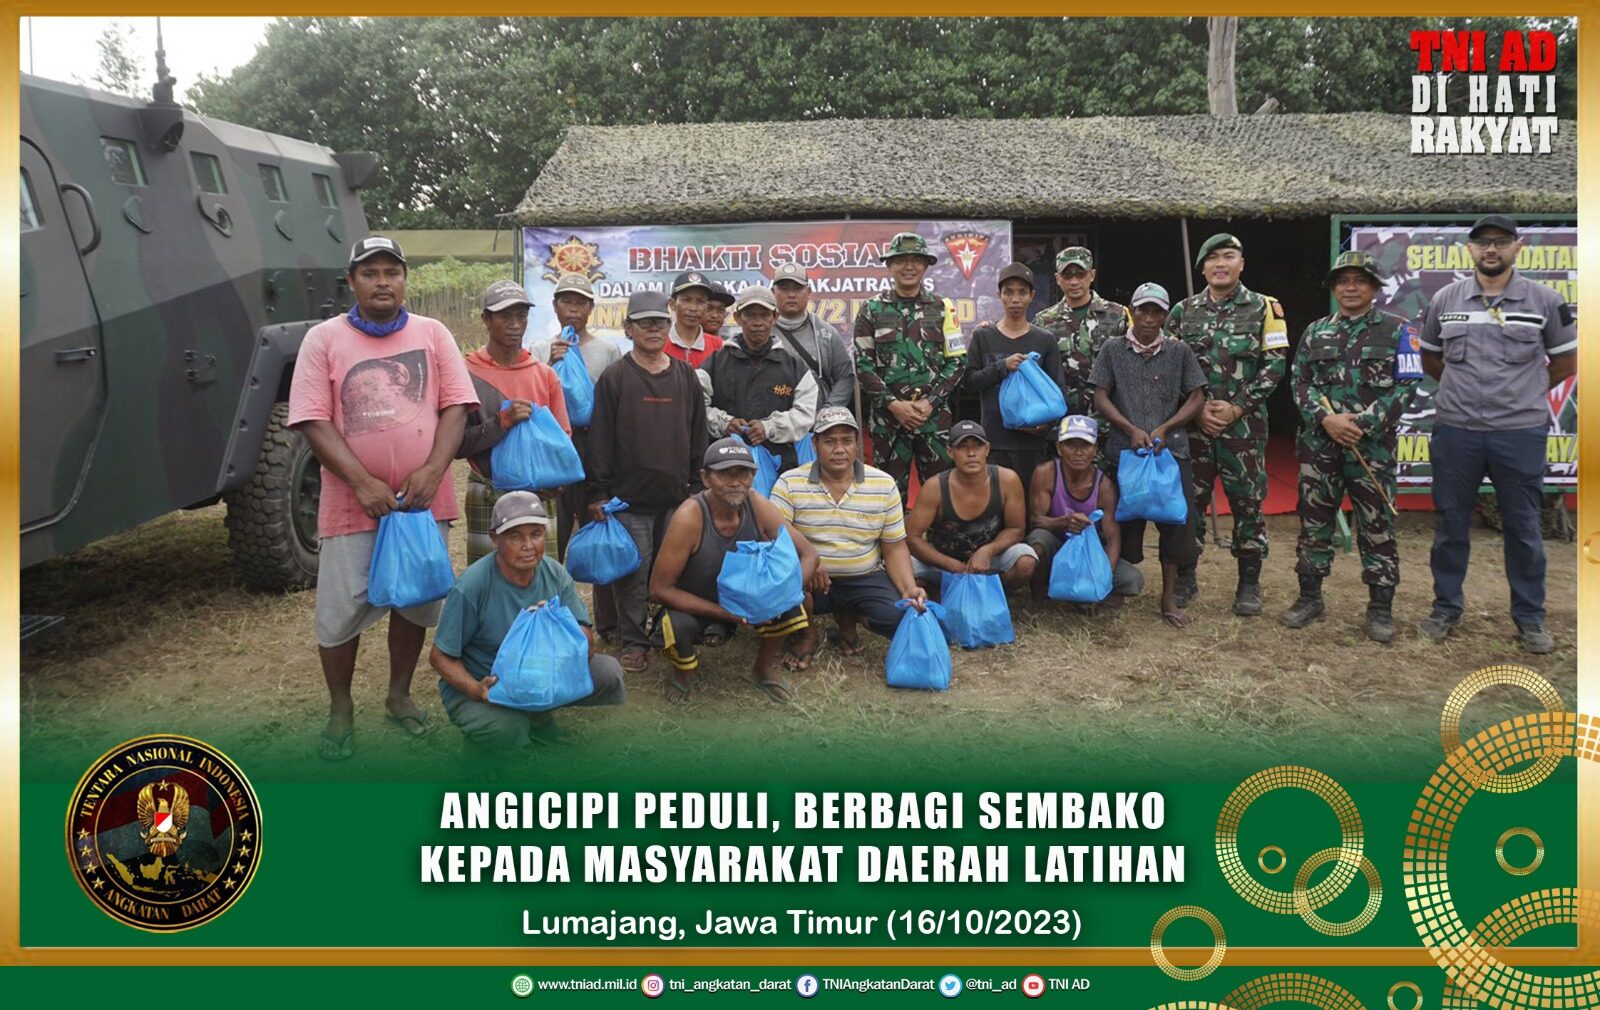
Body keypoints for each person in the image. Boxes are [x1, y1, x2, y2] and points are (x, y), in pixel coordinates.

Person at [287, 236, 478, 761]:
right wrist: (362, 482)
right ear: (351, 282)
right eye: (369, 273)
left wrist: (434, 468)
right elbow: (311, 418)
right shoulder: (323, 340)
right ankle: (341, 708)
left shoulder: (433, 334)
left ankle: (398, 695)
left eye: (391, 271)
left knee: (416, 602)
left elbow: (456, 407)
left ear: (404, 280)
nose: (382, 282)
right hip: (353, 504)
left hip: (422, 502)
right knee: (340, 610)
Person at [1416, 215, 1577, 653]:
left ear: (1517, 247)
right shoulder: (1445, 300)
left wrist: (1521, 397)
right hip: (1456, 430)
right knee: (1450, 524)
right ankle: (1445, 608)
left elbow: (1565, 364)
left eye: (1501, 242)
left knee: (1524, 527)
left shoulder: (1545, 301)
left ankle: (1530, 619)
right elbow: (1432, 360)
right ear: (1469, 250)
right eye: (1482, 242)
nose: (1491, 249)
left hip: (1518, 433)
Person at [1283, 251, 1420, 642]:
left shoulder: (1399, 330)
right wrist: (1326, 419)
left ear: (1375, 287)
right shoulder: (1316, 331)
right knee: (1314, 524)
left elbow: (1407, 384)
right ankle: (1310, 598)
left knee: (1377, 526)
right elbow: (1300, 382)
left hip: (1370, 448)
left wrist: (1363, 424)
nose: (1351, 287)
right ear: (1334, 288)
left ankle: (1380, 609)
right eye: (1343, 281)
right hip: (1319, 446)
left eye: (1360, 280)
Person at [429, 493, 625, 755]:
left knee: (606, 672)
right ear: (495, 539)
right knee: (506, 731)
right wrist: (476, 689)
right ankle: (485, 732)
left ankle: (538, 716)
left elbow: (586, 644)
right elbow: (440, 657)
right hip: (487, 682)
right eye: (515, 536)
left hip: (536, 674)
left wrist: (558, 627)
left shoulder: (554, 573)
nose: (528, 545)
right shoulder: (472, 586)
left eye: (536, 534)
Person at [1166, 233, 1289, 616]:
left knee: (1248, 507)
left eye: (1229, 256)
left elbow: (1275, 365)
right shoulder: (1182, 312)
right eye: (1213, 258)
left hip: (1244, 431)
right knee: (1190, 506)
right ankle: (1186, 578)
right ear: (1202, 267)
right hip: (1194, 430)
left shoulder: (1266, 308)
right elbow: (1168, 368)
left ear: (1241, 263)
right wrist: (1196, 411)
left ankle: (1248, 584)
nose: (1221, 263)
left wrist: (1237, 408)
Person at [587, 290, 710, 673]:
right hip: (628, 501)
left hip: (676, 498)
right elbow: (600, 440)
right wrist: (598, 493)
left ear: (668, 326)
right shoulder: (615, 378)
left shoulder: (685, 375)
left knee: (674, 572)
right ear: (628, 329)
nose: (653, 329)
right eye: (644, 323)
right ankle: (634, 640)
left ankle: (667, 633)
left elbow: (698, 434)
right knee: (633, 575)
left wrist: (697, 486)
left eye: (659, 322)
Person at [649, 438, 821, 703]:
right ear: (705, 478)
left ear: (753, 475)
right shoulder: (690, 516)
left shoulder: (755, 503)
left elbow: (808, 553)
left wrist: (778, 594)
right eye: (724, 473)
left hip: (746, 595)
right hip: (698, 602)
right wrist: (727, 614)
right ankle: (684, 673)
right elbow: (659, 589)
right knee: (676, 625)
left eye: (743, 472)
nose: (735, 481)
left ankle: (762, 670)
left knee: (792, 605)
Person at [768, 406, 927, 666]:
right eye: (829, 441)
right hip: (810, 578)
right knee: (777, 594)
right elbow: (775, 535)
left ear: (857, 445)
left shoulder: (883, 484)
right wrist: (809, 561)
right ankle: (807, 635)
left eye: (847, 441)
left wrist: (909, 590)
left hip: (864, 576)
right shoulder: (789, 482)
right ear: (814, 444)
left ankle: (848, 615)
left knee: (901, 617)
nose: (839, 449)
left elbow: (895, 547)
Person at [1090, 283, 1207, 628]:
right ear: (1132, 310)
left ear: (1165, 316)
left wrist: (1166, 427)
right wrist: (1129, 428)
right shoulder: (1112, 349)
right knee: (1122, 523)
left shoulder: (1179, 351)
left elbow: (1197, 396)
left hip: (1170, 454)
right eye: (1143, 310)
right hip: (1124, 454)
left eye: (1157, 312)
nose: (1149, 319)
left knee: (1175, 524)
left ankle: (1169, 597)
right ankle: (1116, 588)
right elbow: (1100, 396)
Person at [531, 273, 623, 634]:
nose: (573, 309)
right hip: (555, 451)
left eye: (581, 302)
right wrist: (551, 365)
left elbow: (613, 406)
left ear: (591, 309)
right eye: (567, 302)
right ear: (555, 306)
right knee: (552, 537)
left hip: (593, 449)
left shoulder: (607, 351)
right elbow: (534, 401)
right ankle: (548, 616)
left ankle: (609, 624)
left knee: (599, 533)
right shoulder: (539, 350)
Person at [461, 280, 571, 566]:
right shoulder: (466, 372)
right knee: (486, 582)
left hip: (538, 491)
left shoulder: (543, 374)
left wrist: (555, 481)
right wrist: (501, 423)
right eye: (504, 316)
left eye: (521, 316)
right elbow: (456, 444)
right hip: (487, 489)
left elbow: (562, 440)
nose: (515, 324)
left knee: (539, 581)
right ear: (486, 319)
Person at [853, 232, 963, 494]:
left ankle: (937, 538)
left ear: (926, 265)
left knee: (941, 493)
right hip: (888, 421)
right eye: (901, 260)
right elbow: (863, 365)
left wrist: (930, 403)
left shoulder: (943, 307)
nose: (909, 266)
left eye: (916, 260)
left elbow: (957, 362)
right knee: (886, 496)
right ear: (890, 266)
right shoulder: (871, 309)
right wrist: (895, 406)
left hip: (934, 421)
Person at [961, 261, 1067, 481]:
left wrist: (1043, 427)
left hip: (1034, 446)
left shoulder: (1044, 339)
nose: (1015, 299)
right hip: (994, 444)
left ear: (1031, 295)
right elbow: (969, 383)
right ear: (999, 295)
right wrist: (1001, 367)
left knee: (1033, 511)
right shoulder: (983, 337)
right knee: (997, 511)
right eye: (1009, 292)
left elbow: (1059, 391)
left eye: (1022, 292)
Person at [905, 420, 1038, 594]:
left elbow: (1016, 529)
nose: (971, 453)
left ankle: (993, 594)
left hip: (989, 560)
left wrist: (987, 551)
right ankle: (941, 592)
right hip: (942, 560)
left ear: (987, 449)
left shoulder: (1007, 480)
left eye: (978, 446)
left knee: (1026, 560)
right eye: (963, 447)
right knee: (902, 568)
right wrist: (952, 565)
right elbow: (913, 538)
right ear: (950, 452)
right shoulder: (935, 487)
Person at [1025, 415, 1146, 605]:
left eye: (1085, 445)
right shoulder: (1046, 473)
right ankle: (1040, 595)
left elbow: (1113, 538)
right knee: (1038, 542)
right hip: (1057, 547)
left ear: (1095, 449)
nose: (1078, 452)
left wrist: (1101, 576)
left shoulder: (1104, 486)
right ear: (1059, 448)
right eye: (1071, 445)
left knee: (1132, 580)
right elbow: (1036, 520)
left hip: (1089, 554)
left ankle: (1085, 593)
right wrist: (1063, 522)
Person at [701, 285, 820, 472]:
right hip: (726, 467)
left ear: (775, 318)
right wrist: (725, 423)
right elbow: (697, 405)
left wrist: (769, 427)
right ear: (738, 318)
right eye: (750, 315)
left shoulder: (794, 367)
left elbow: (805, 414)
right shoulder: (715, 363)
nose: (757, 322)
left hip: (781, 466)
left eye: (764, 315)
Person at [1031, 246, 1131, 417]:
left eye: (1080, 274)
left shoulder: (1118, 315)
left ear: (1091, 275)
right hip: (1061, 420)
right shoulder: (1043, 321)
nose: (1074, 281)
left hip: (1109, 419)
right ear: (1057, 279)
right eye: (1067, 275)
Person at [772, 262, 856, 410]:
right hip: (775, 424)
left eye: (798, 288)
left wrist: (828, 412)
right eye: (784, 289)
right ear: (773, 292)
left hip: (817, 426)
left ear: (809, 291)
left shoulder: (826, 334)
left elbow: (844, 377)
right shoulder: (762, 333)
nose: (791, 295)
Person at [663, 271, 723, 368]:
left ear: (706, 306)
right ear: (672, 304)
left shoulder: (718, 346)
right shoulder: (659, 343)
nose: (693, 308)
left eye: (700, 301)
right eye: (686, 300)